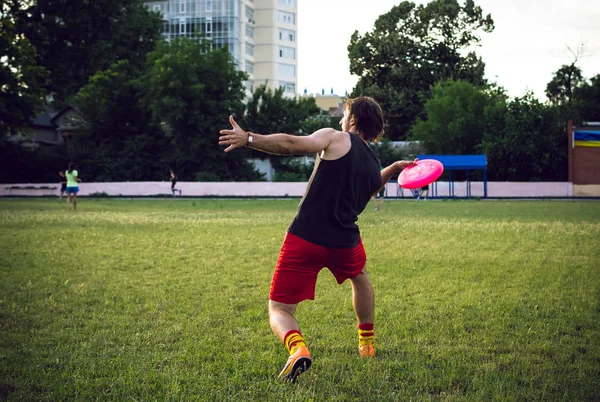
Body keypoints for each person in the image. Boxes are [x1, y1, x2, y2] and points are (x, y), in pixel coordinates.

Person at [219, 96, 416, 382]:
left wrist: (248, 138)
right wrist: (394, 168)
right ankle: (367, 343)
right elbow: (372, 188)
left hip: (306, 236)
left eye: (344, 114)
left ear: (354, 120)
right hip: (345, 242)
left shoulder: (335, 138)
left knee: (280, 308)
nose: (340, 120)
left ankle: (297, 348)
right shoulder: (373, 164)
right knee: (360, 276)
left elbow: (289, 144)